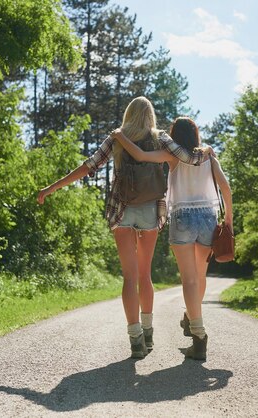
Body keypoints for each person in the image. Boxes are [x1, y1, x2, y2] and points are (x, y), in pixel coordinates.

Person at [37, 97, 212, 359]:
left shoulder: (117, 137)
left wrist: (52, 187)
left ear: (129, 115)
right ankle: (149, 331)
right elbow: (188, 157)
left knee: (129, 277)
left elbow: (89, 166)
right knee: (145, 275)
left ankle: (136, 339)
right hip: (151, 210)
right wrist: (206, 151)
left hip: (122, 209)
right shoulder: (159, 137)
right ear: (150, 116)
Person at [112, 117, 233, 361]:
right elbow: (226, 188)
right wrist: (228, 220)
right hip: (208, 218)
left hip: (182, 218)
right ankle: (192, 318)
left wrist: (119, 136)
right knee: (199, 277)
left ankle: (199, 336)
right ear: (196, 135)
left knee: (188, 280)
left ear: (174, 136)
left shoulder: (172, 156)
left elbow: (140, 155)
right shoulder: (208, 155)